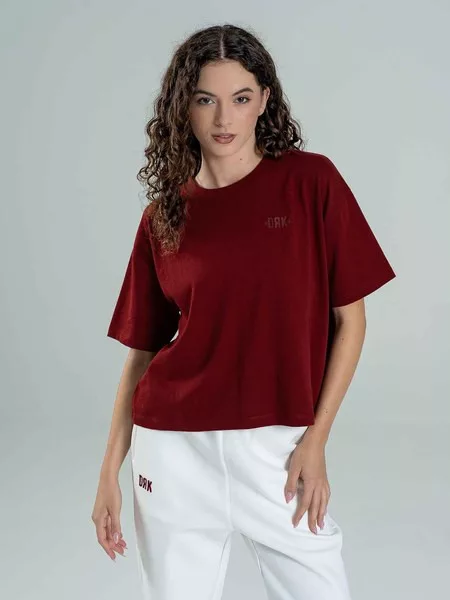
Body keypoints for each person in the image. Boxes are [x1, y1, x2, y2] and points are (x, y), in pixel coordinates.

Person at [91, 23, 396, 600]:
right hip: (173, 450)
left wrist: (316, 440)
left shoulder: (311, 183)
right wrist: (109, 470)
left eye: (240, 98)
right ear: (183, 107)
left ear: (264, 101)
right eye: (205, 100)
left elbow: (350, 321)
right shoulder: (164, 216)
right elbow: (142, 354)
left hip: (278, 451)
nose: (223, 118)